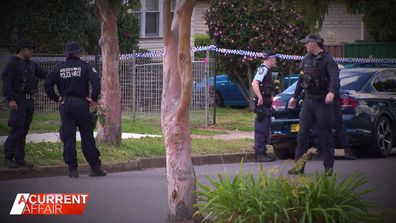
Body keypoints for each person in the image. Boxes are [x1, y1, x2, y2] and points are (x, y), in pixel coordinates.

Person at [44, 41, 106, 178]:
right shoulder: (85, 67)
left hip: (65, 105)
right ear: (78, 53)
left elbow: (47, 85)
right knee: (87, 137)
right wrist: (93, 99)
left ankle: (73, 170)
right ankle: (95, 168)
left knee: (68, 137)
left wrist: (56, 98)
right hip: (81, 105)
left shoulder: (59, 68)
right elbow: (96, 83)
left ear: (67, 54)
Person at [288, 34, 340, 175]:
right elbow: (301, 79)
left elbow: (335, 79)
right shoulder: (306, 59)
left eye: (307, 43)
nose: (305, 45)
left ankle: (329, 168)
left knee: (325, 135)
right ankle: (299, 167)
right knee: (302, 134)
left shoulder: (328, 60)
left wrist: (332, 93)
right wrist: (294, 96)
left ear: (314, 44)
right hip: (308, 102)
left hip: (323, 102)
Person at [2, 39, 48, 169]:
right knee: (16, 129)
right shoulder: (12, 64)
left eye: (32, 49)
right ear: (22, 49)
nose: (31, 52)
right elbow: (7, 83)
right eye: (29, 49)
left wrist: (59, 74)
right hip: (18, 99)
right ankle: (8, 157)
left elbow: (46, 74)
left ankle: (19, 158)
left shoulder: (31, 64)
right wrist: (10, 99)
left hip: (29, 100)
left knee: (24, 130)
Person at [251, 50, 278, 162]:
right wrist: (260, 97)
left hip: (266, 103)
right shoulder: (264, 69)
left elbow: (267, 86)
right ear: (270, 59)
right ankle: (260, 154)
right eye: (275, 59)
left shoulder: (268, 70)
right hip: (262, 104)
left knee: (265, 128)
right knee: (261, 129)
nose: (276, 61)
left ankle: (262, 152)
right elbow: (255, 83)